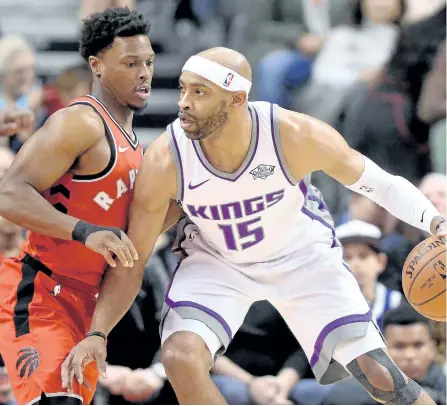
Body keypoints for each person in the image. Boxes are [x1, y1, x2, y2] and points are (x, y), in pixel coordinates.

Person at [62, 47, 445, 405]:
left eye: (199, 92)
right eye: (182, 89)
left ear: (236, 99)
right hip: (219, 260)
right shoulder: (167, 157)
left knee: (379, 376)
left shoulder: (293, 134)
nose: (183, 103)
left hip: (301, 257)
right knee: (179, 355)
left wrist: (434, 220)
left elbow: (381, 183)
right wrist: (97, 332)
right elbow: (134, 256)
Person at [0, 7, 160, 405]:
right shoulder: (82, 123)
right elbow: (8, 194)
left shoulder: (139, 149)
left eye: (149, 62)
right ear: (97, 65)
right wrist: (84, 232)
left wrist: (98, 332)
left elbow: (132, 264)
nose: (144, 73)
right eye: (130, 63)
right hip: (39, 292)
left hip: (87, 306)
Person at [323, 303, 446, 405]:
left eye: (418, 345)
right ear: (382, 350)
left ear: (433, 347)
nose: (410, 355)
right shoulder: (347, 396)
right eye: (399, 346)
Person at [336, 220, 403, 329]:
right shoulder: (330, 305)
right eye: (347, 257)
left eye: (363, 256)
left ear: (381, 262)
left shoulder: (395, 302)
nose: (355, 264)